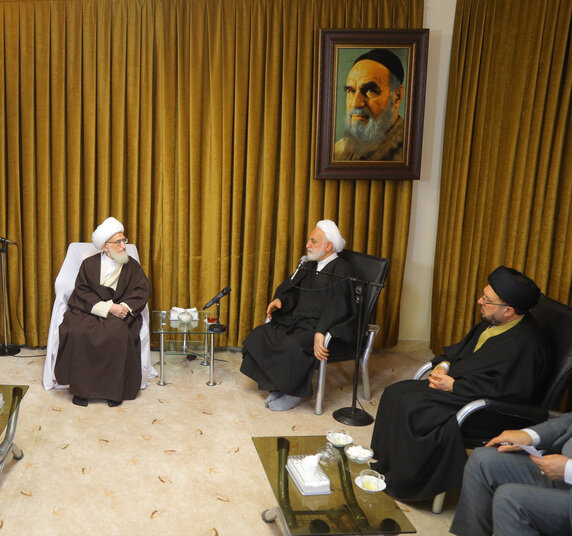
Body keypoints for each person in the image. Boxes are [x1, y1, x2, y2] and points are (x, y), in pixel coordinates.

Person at [371, 266, 548, 501]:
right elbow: (461, 351)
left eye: (486, 300)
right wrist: (444, 365)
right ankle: (387, 466)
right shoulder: (493, 321)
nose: (479, 301)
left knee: (415, 410)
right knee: (395, 392)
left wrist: (454, 387)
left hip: (487, 411)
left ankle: (407, 483)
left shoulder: (526, 347)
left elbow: (509, 392)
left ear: (508, 310)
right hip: (464, 388)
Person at [240, 220, 356, 411]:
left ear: (328, 246)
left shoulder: (341, 270)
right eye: (309, 240)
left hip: (320, 326)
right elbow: (294, 291)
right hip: (297, 320)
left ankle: (293, 393)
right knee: (261, 335)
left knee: (291, 345)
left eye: (313, 241)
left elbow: (339, 307)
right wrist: (281, 300)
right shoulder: (310, 266)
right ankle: (277, 387)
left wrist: (321, 331)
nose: (307, 245)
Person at [53, 217, 151, 407]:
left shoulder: (131, 265)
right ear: (106, 246)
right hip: (91, 310)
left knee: (117, 333)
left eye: (124, 240)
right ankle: (81, 390)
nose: (124, 246)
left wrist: (125, 307)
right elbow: (81, 292)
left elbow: (141, 290)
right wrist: (107, 308)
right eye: (118, 242)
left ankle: (114, 391)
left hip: (120, 312)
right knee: (77, 331)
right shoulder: (89, 264)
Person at [450, 414, 572, 536]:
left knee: (511, 499)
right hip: (563, 469)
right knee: (482, 460)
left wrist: (567, 470)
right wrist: (531, 435)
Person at [334, 48, 405, 162]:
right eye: (351, 91)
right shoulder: (337, 152)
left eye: (370, 91)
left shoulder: (408, 153)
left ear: (397, 96)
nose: (356, 104)